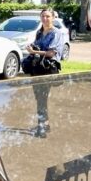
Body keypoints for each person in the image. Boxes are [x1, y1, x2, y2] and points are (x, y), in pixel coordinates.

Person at [21, 7, 64, 138]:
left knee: (41, 99)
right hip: (36, 70)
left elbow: (51, 53)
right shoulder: (40, 32)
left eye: (47, 16)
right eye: (43, 16)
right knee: (40, 99)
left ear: (53, 18)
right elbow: (37, 46)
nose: (45, 19)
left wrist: (34, 52)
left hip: (47, 70)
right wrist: (31, 48)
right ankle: (45, 124)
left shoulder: (56, 33)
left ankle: (42, 128)